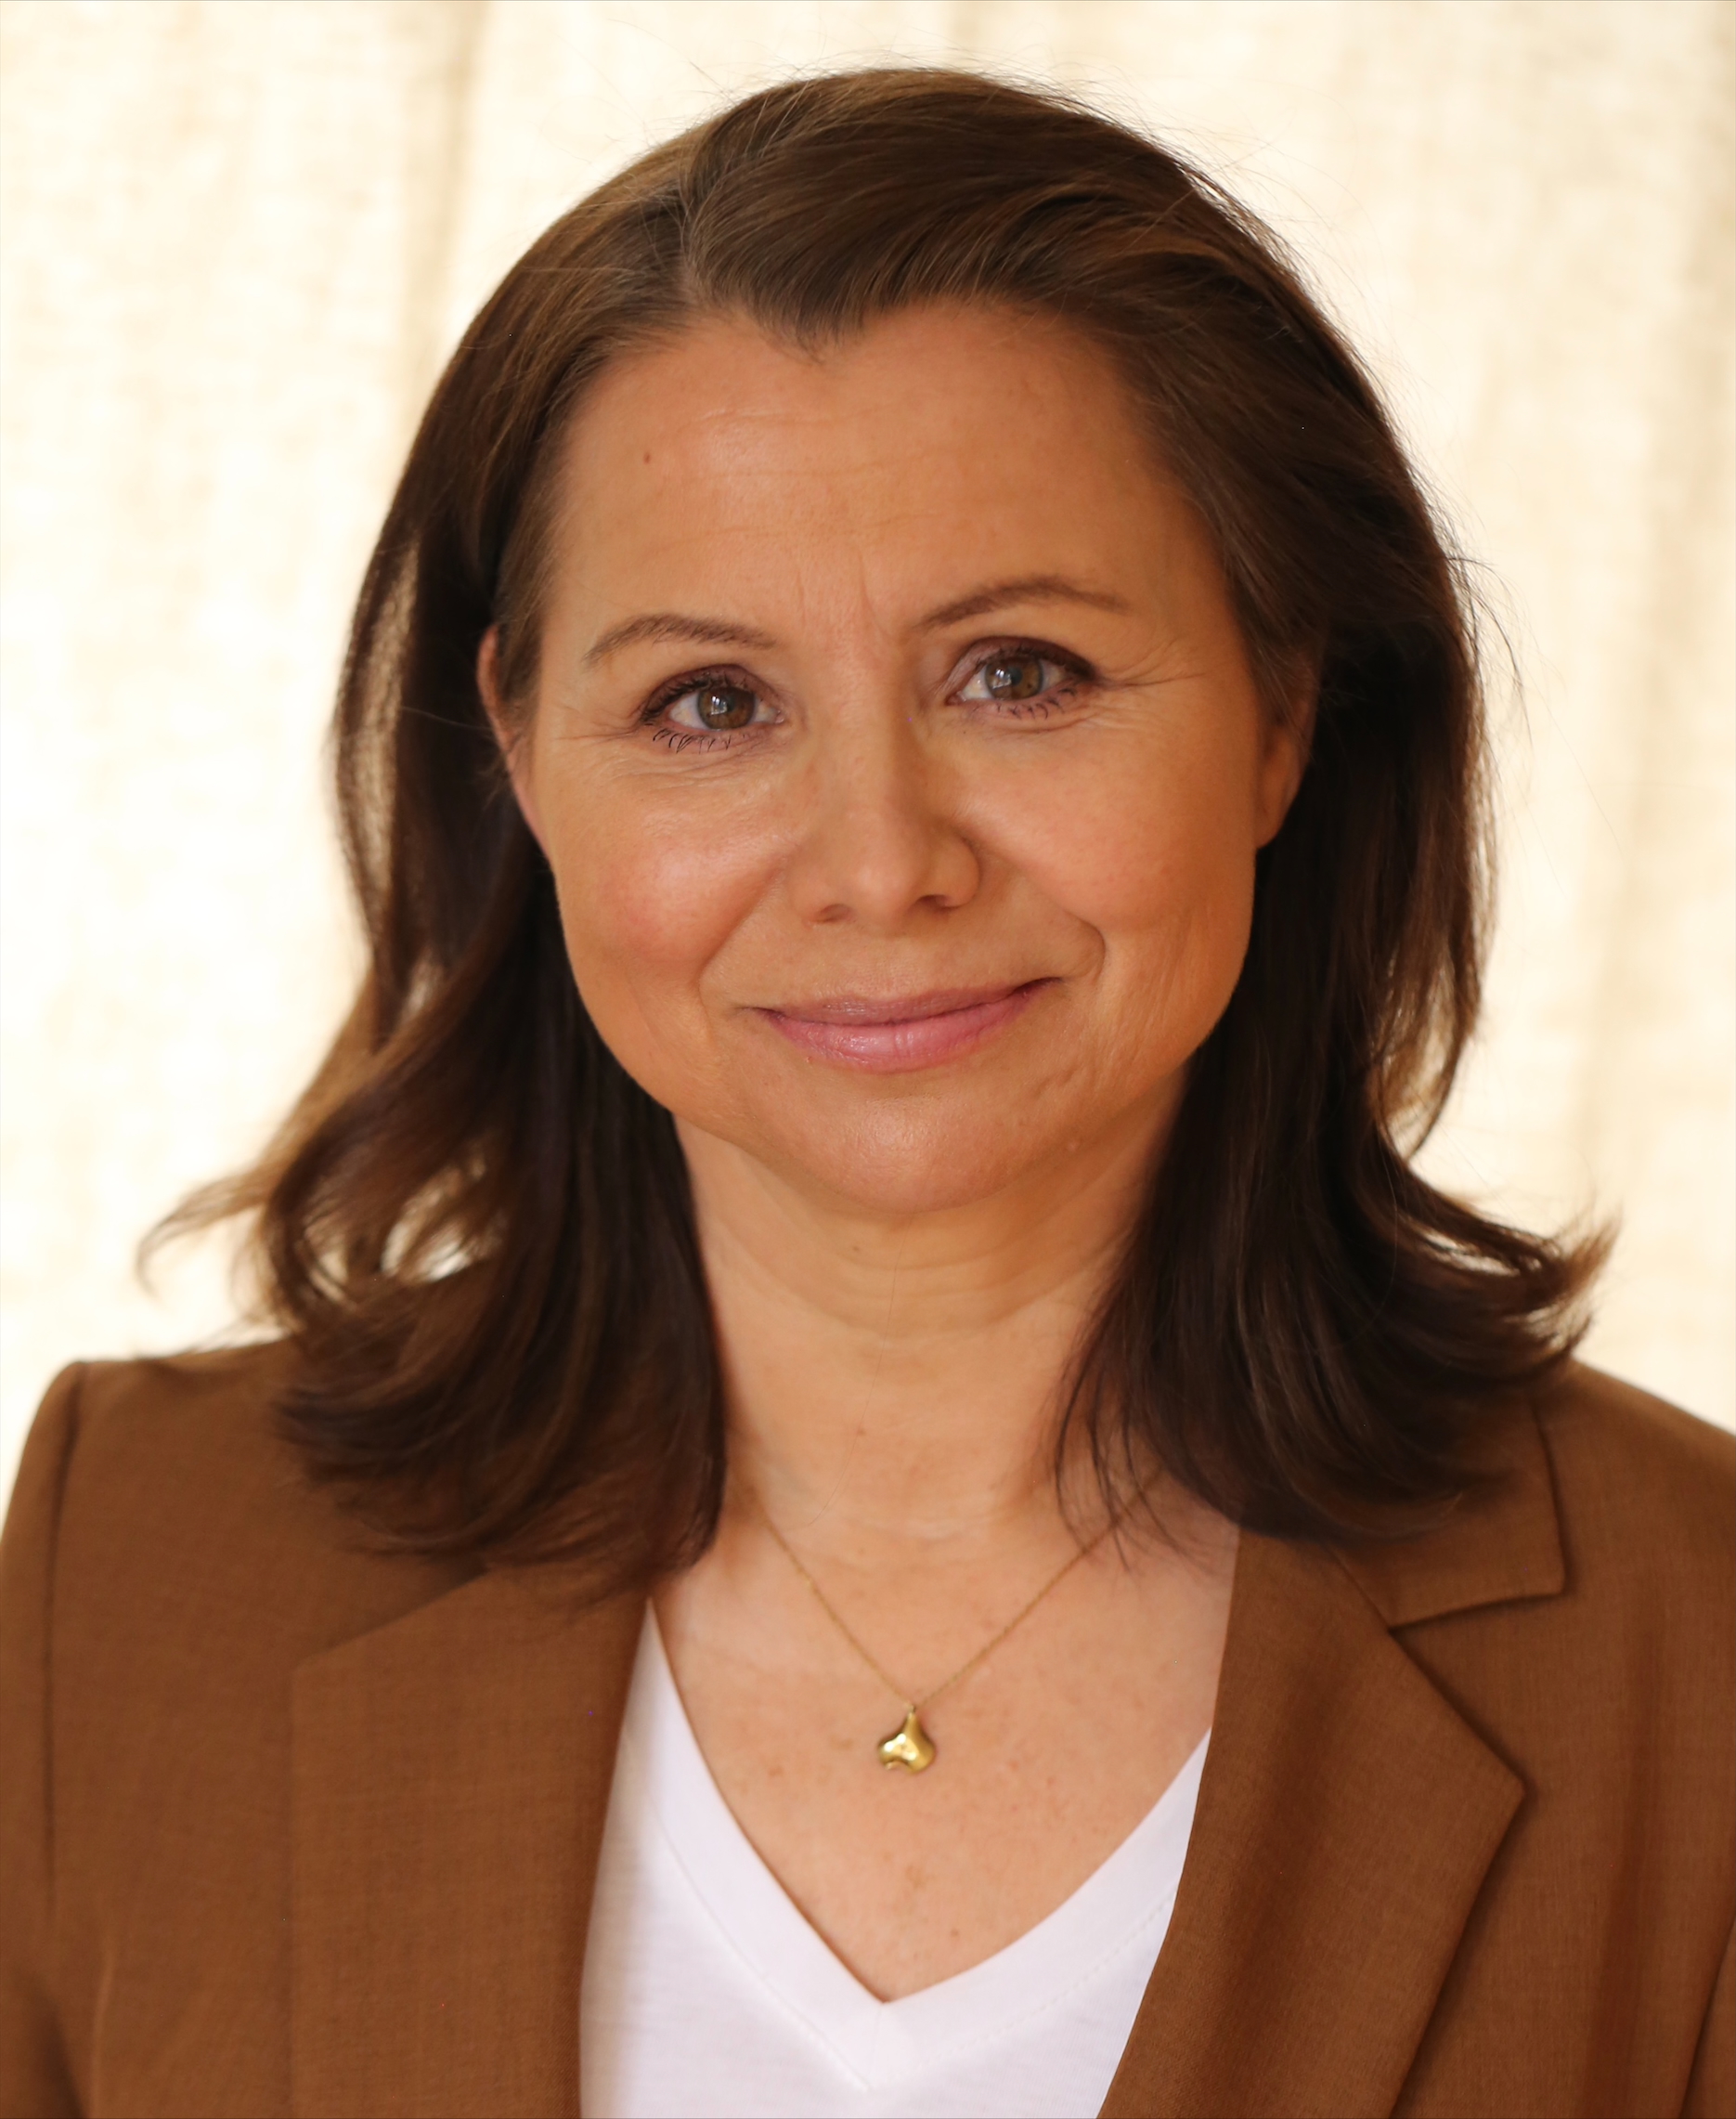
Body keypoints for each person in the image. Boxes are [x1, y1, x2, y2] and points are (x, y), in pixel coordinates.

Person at [2, 67, 1730, 2119]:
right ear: (519, 752)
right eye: (708, 702)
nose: (880, 859)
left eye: (1020, 672)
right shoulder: (134, 1565)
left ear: (1282, 708)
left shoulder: (1687, 1649)